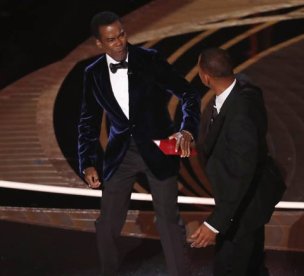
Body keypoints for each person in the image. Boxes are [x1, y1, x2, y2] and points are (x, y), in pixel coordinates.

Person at [77, 11, 200, 275]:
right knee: (107, 223)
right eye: (111, 39)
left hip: (160, 148)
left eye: (121, 34)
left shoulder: (150, 60)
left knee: (168, 220)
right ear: (99, 43)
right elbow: (88, 121)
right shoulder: (93, 73)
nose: (119, 42)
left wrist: (187, 130)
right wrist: (87, 162)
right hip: (121, 155)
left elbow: (188, 93)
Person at [191, 48, 285, 275]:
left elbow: (241, 174)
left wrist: (214, 224)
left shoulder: (240, 116)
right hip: (253, 200)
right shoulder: (246, 88)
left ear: (206, 77)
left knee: (231, 267)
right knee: (252, 265)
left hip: (243, 207)